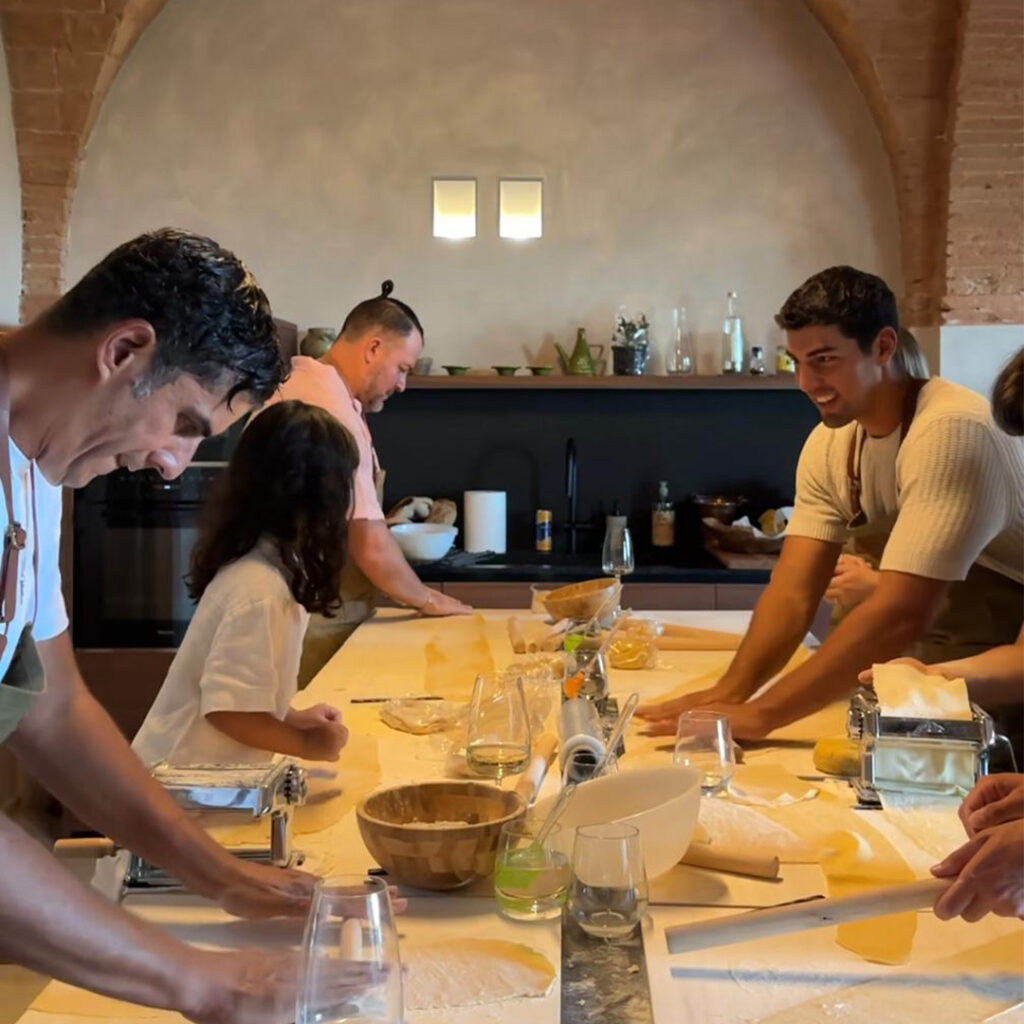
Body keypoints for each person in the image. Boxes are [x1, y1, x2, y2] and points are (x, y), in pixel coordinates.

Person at [0, 230, 370, 1021]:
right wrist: (201, 981)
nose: (173, 465)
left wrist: (222, 876)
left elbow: (54, 707)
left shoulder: (34, 465)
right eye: (184, 424)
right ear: (124, 351)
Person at [638, 267, 1023, 739]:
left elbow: (900, 613)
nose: (805, 381)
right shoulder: (831, 444)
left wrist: (763, 715)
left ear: (883, 347)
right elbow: (793, 594)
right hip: (905, 684)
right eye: (796, 361)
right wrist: (730, 693)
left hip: (993, 694)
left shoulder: (951, 432)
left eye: (823, 360)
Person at [266, 280, 470, 684]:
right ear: (373, 348)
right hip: (314, 620)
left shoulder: (306, 386)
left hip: (304, 610)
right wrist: (429, 599)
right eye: (402, 369)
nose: (402, 385)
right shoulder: (331, 412)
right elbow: (369, 544)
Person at [133, 401, 357, 766]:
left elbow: (242, 694)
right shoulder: (260, 590)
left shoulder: (265, 567)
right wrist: (307, 745)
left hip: (200, 781)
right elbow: (229, 712)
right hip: (179, 784)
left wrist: (293, 718)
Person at [824, 327, 932, 610]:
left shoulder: (941, 446)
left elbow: (957, 576)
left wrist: (875, 585)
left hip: (947, 631)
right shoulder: (843, 445)